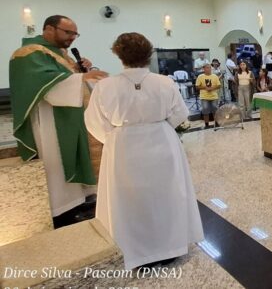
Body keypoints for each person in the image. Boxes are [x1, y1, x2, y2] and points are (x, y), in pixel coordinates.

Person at [84, 32, 203, 270]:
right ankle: (170, 246)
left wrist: (116, 137)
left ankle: (135, 250)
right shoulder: (164, 82)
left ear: (118, 54)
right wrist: (159, 129)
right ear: (150, 54)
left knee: (129, 199)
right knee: (167, 194)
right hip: (162, 141)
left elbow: (94, 121)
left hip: (123, 146)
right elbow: (180, 113)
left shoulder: (105, 86)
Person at [9, 15, 107, 220]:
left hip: (70, 116)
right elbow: (43, 82)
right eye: (68, 32)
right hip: (50, 118)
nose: (72, 38)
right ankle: (62, 208)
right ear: (49, 29)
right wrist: (81, 77)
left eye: (75, 34)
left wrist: (83, 71)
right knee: (57, 159)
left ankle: (80, 200)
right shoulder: (28, 53)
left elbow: (71, 79)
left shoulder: (60, 53)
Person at [196, 64, 221, 129]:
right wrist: (204, 87)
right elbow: (197, 86)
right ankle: (206, 124)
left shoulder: (215, 76)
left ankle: (216, 123)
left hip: (214, 96)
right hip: (204, 97)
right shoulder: (200, 76)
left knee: (215, 109)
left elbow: (219, 85)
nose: (209, 69)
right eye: (207, 68)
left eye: (210, 68)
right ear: (204, 69)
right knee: (205, 109)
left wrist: (212, 88)